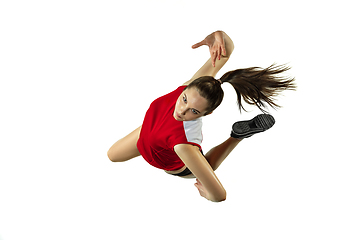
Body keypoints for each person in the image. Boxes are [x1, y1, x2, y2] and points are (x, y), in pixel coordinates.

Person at [107, 30, 296, 202]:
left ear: (207, 114)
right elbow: (226, 51)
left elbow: (219, 195)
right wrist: (217, 35)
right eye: (184, 100)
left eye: (194, 112)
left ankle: (236, 136)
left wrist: (210, 195)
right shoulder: (189, 87)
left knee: (206, 165)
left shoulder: (183, 144)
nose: (182, 110)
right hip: (151, 131)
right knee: (112, 155)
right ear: (187, 88)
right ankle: (157, 133)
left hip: (174, 159)